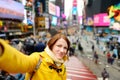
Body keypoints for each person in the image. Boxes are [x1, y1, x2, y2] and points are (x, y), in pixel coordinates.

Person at [0, 33, 70, 80]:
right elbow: (21, 62)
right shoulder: (38, 58)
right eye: (59, 46)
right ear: (51, 46)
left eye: (65, 48)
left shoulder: (62, 67)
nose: (62, 50)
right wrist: (2, 51)